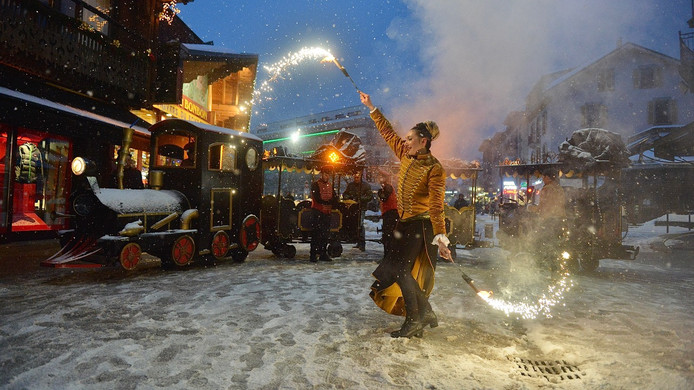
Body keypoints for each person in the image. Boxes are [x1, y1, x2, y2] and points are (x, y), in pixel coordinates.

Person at [360, 91, 452, 339]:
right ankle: (426, 312)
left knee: (400, 270)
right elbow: (388, 132)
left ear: (423, 141)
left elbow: (436, 205)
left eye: (410, 138)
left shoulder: (435, 169)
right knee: (397, 269)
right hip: (405, 222)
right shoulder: (404, 153)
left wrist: (441, 237)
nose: (405, 140)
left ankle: (414, 320)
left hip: (421, 227)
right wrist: (371, 107)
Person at [310, 166, 338, 262]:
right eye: (325, 175)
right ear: (321, 175)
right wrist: (328, 202)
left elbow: (334, 197)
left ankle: (322, 253)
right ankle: (313, 254)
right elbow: (317, 198)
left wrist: (333, 201)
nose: (327, 177)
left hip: (327, 213)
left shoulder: (330, 185)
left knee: (325, 234)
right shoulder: (315, 185)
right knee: (316, 234)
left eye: (328, 175)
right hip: (318, 212)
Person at [342, 170, 373, 251]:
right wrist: (348, 198)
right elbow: (345, 194)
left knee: (360, 224)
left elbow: (369, 196)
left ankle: (362, 243)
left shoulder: (366, 186)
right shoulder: (350, 185)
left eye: (357, 177)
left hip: (361, 207)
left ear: (360, 177)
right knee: (354, 223)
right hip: (352, 208)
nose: (356, 179)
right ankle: (356, 240)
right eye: (355, 177)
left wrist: (360, 199)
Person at [377, 173, 398, 263]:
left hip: (390, 213)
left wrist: (379, 193)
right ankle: (389, 256)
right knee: (388, 235)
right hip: (390, 213)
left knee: (388, 235)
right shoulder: (388, 187)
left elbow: (384, 197)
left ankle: (388, 257)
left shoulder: (387, 187)